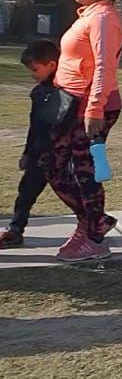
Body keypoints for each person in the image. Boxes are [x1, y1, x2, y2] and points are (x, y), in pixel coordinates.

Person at [44, 0, 122, 261]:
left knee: (84, 172)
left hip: (89, 107)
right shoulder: (90, 16)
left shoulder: (104, 19)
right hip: (70, 103)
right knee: (54, 167)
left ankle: (94, 237)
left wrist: (94, 108)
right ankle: (93, 222)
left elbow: (104, 68)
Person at [0, 41, 62, 248]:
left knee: (74, 193)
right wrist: (28, 153)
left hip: (61, 153)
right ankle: (16, 229)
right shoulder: (38, 93)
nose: (32, 74)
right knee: (26, 191)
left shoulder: (67, 91)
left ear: (52, 65)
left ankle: (92, 226)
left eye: (35, 69)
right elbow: (34, 126)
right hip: (39, 153)